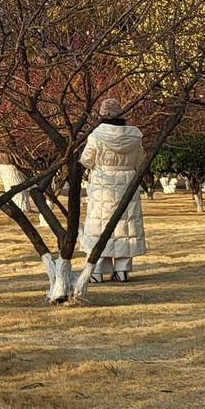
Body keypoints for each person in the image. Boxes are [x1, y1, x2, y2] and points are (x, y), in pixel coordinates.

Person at [80, 98, 147, 282]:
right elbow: (140, 161)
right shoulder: (134, 137)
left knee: (99, 226)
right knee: (125, 226)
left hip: (103, 183)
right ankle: (122, 270)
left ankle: (97, 271)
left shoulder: (96, 135)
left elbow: (86, 160)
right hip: (128, 182)